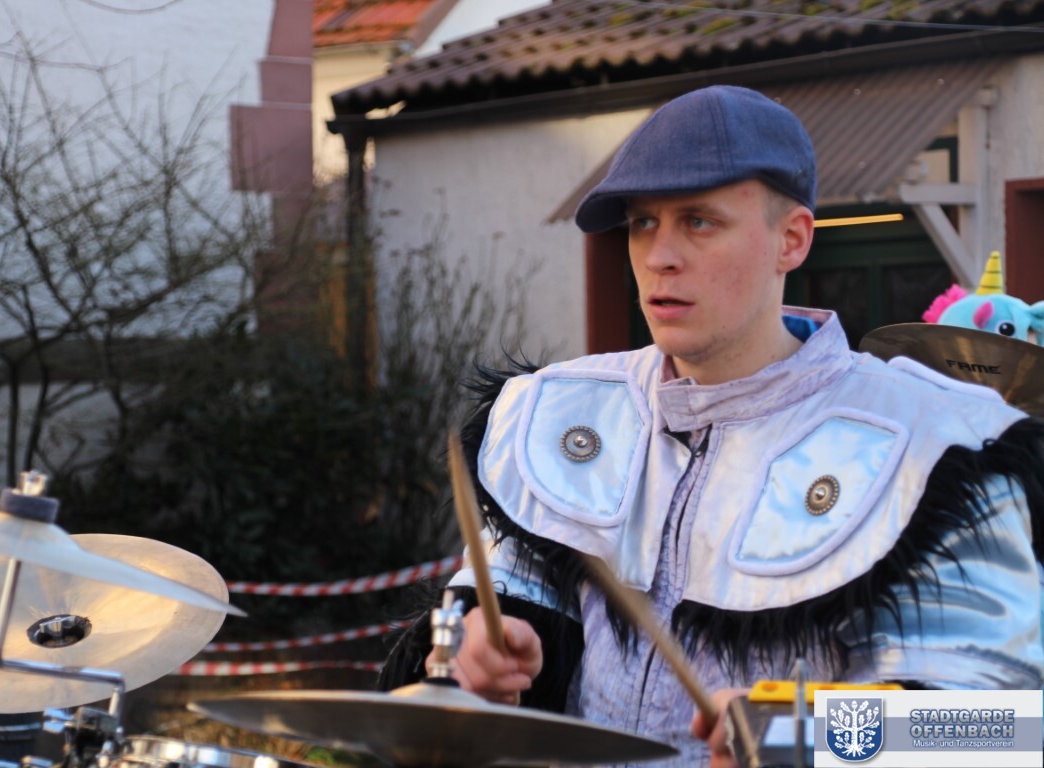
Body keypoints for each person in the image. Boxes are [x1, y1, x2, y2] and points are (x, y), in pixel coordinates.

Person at [377, 85, 1044, 767]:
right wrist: (485, 648)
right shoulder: (563, 412)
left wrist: (793, 736)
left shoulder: (940, 449)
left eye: (699, 221)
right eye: (642, 222)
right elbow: (501, 597)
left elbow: (997, 729)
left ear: (792, 240)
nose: (659, 255)